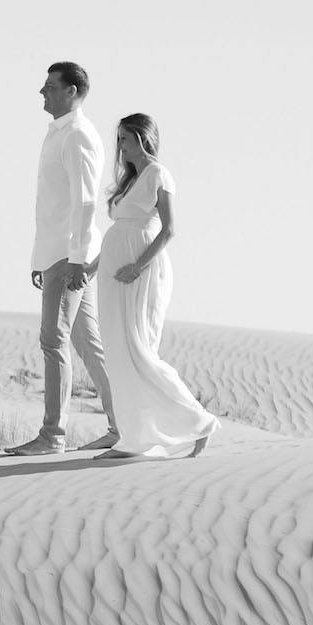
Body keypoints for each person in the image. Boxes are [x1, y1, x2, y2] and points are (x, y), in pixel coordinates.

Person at [5, 61, 118, 456]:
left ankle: (53, 435)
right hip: (57, 254)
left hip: (70, 256)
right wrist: (41, 256)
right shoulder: (58, 134)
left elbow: (85, 202)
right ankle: (123, 424)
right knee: (88, 344)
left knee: (53, 340)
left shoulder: (78, 136)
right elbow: (51, 203)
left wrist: (76, 259)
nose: (43, 92)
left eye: (51, 86)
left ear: (71, 91)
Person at [95, 113, 217, 459]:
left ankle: (199, 421)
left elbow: (168, 230)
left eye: (125, 139)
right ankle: (135, 439)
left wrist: (137, 266)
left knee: (140, 351)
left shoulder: (158, 175)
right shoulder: (127, 181)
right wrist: (93, 266)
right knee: (118, 353)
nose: (119, 146)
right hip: (113, 273)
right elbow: (117, 230)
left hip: (142, 270)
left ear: (143, 139)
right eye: (118, 139)